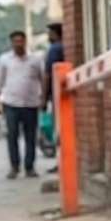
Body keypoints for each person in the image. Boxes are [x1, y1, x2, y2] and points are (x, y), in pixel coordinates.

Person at [0, 30, 45, 179]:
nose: (18, 44)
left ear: (25, 42)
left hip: (31, 103)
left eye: (21, 41)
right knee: (12, 136)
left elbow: (43, 78)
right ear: (11, 43)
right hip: (11, 103)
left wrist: (43, 98)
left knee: (31, 137)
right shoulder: (4, 59)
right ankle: (14, 167)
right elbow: (0, 80)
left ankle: (30, 167)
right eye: (15, 41)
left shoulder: (35, 60)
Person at [43, 23, 64, 173]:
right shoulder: (65, 47)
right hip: (65, 92)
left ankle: (61, 162)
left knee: (59, 129)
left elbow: (47, 74)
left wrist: (43, 97)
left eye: (50, 33)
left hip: (57, 95)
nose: (48, 36)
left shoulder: (54, 49)